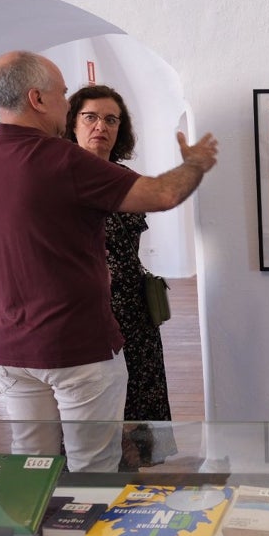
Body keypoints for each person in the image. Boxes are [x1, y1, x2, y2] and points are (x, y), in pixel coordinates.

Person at [0, 51, 218, 472]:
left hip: (10, 348)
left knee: (32, 467)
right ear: (37, 99)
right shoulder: (63, 160)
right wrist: (195, 164)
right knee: (93, 470)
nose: (67, 102)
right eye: (63, 94)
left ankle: (43, 532)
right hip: (76, 347)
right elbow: (163, 195)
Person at [66, 84, 175, 469]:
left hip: (134, 304)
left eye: (111, 119)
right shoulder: (59, 177)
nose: (101, 127)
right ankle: (98, 473)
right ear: (72, 123)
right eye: (90, 117)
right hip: (85, 307)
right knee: (92, 400)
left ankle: (138, 471)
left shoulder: (126, 178)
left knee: (140, 391)